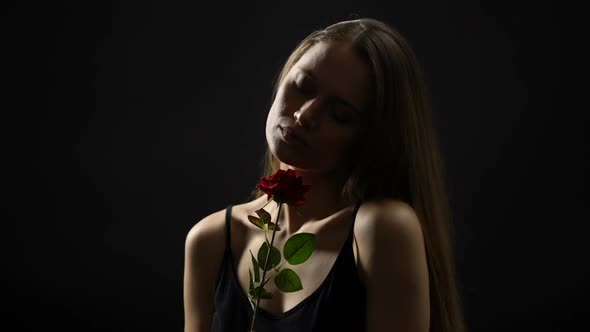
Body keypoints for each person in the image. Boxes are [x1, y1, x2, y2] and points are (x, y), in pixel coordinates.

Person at [184, 17, 465, 332]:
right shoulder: (210, 241)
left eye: (340, 115)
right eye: (303, 86)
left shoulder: (380, 230)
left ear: (371, 137)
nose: (305, 116)